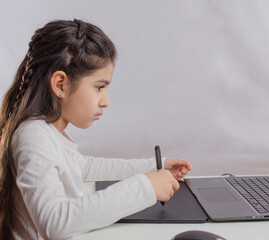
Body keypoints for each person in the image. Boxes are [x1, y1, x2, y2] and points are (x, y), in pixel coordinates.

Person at [0, 19, 192, 240]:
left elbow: (85, 167)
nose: (105, 101)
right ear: (60, 85)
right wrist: (145, 188)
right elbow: (55, 222)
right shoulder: (33, 137)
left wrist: (154, 167)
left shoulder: (49, 132)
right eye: (99, 87)